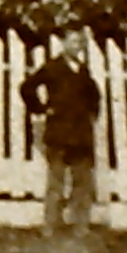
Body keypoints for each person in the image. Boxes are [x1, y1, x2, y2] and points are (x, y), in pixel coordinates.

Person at [19, 30, 103, 235]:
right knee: (56, 180)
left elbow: (95, 95)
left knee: (82, 180)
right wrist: (41, 108)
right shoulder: (52, 68)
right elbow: (27, 87)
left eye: (81, 42)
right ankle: (50, 224)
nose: (78, 46)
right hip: (59, 132)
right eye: (74, 41)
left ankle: (80, 225)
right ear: (64, 43)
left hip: (81, 133)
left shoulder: (83, 70)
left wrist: (92, 114)